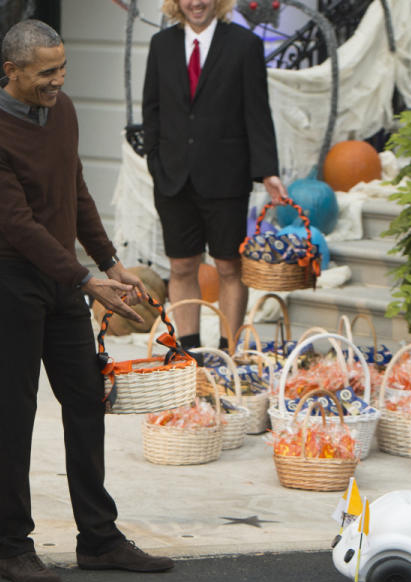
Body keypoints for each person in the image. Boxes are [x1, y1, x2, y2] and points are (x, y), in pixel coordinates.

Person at [0, 19, 174, 582]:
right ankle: (11, 544)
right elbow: (19, 226)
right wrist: (84, 277)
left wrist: (109, 263)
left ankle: (99, 539)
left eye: (62, 68)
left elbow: (73, 189)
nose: (59, 81)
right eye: (47, 72)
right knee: (15, 409)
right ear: (12, 72)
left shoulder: (64, 111)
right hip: (8, 280)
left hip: (63, 279)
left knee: (84, 399)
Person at [142, 0, 288, 352]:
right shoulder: (160, 46)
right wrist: (155, 161)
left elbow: (257, 111)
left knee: (228, 268)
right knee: (181, 267)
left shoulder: (244, 45)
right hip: (173, 179)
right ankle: (191, 352)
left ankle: (228, 352)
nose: (196, 3)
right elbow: (152, 109)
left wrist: (267, 171)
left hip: (226, 179)